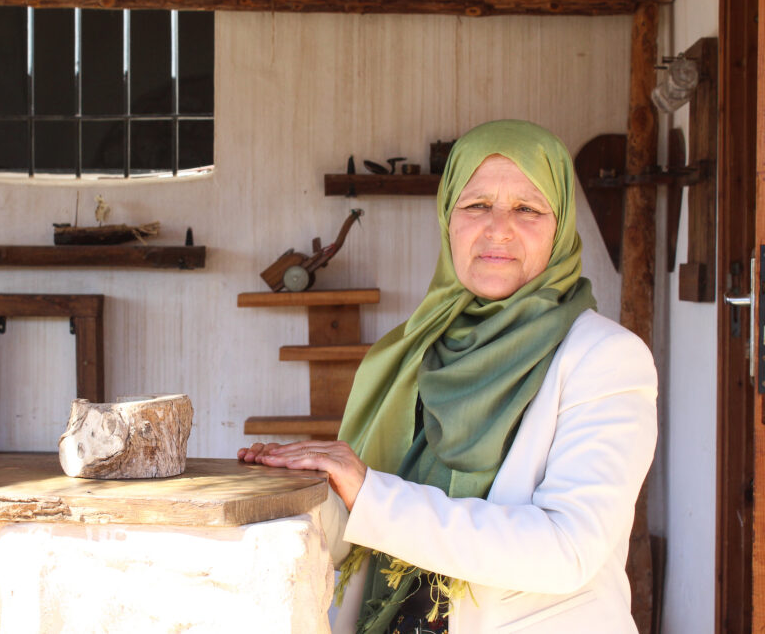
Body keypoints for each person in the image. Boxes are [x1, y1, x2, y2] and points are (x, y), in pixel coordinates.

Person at [238, 119, 657, 634]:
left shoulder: (606, 359)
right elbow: (366, 529)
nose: (497, 228)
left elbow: (566, 547)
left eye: (527, 208)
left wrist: (368, 490)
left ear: (561, 224)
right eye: (477, 205)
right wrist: (300, 487)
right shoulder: (412, 350)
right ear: (448, 219)